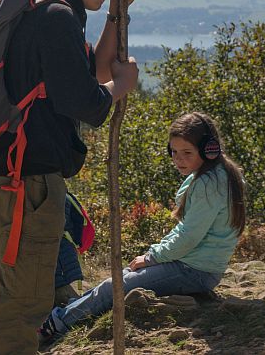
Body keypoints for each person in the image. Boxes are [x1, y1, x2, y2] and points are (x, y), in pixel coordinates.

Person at [0, 0, 139, 355]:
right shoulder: (56, 16)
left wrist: (117, 9)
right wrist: (121, 88)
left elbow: (92, 71)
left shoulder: (36, 6)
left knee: (8, 293)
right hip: (28, 180)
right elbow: (85, 98)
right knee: (26, 301)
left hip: (1, 172)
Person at [39, 112, 247, 341]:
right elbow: (185, 230)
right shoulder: (211, 174)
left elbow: (188, 237)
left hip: (195, 271)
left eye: (187, 153)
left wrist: (151, 258)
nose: (179, 159)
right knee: (124, 275)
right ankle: (71, 309)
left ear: (209, 149)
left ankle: (56, 325)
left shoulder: (208, 184)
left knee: (115, 286)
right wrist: (154, 254)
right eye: (174, 152)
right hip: (190, 264)